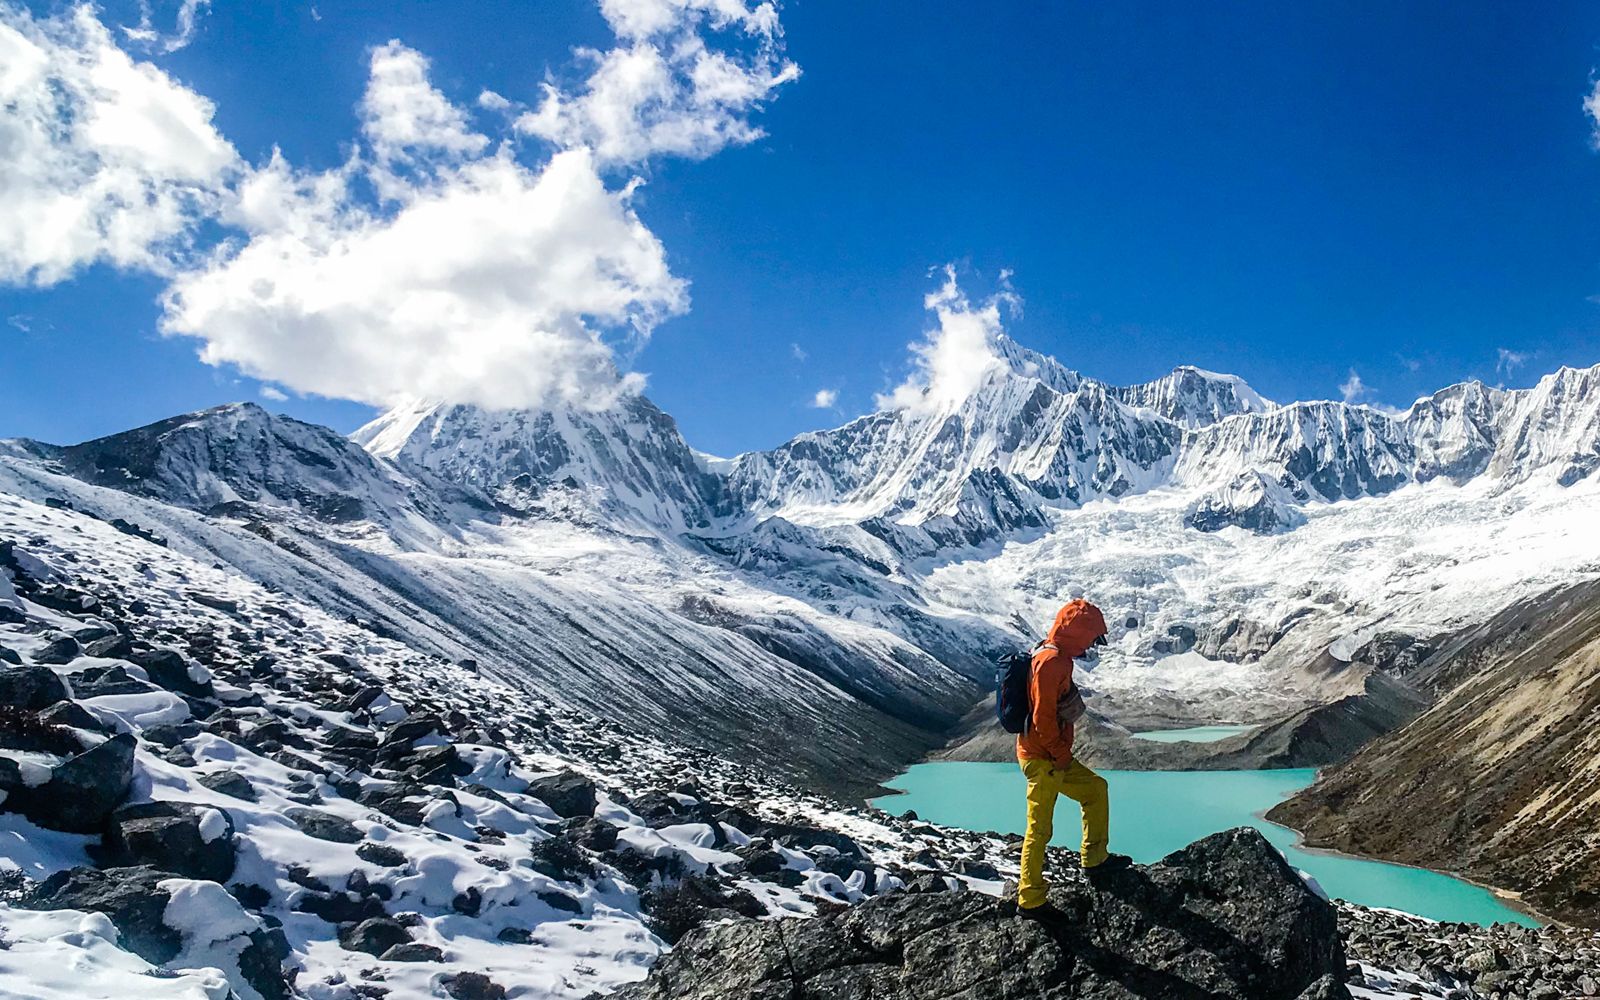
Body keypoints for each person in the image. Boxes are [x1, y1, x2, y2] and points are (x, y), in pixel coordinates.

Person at [1016, 597, 1131, 918]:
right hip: (1043, 758)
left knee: (1095, 789)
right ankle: (1031, 900)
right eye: (1092, 637)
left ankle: (1095, 860)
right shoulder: (1052, 662)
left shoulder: (1052, 654)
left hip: (1048, 754)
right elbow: (1042, 717)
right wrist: (1060, 754)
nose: (1093, 644)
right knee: (1039, 829)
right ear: (1078, 633)